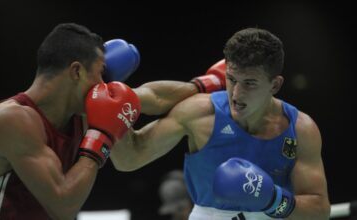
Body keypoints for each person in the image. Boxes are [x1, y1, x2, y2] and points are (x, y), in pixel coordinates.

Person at [0, 23, 216, 219]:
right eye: (100, 73)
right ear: (76, 71)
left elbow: (153, 99)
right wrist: (101, 136)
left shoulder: (82, 110)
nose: (104, 84)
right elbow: (63, 206)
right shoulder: (12, 120)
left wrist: (208, 84)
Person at [110, 27, 331, 219]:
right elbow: (130, 158)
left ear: (275, 85)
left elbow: (319, 210)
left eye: (249, 83)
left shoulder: (300, 129)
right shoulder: (200, 113)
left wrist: (273, 199)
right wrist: (109, 110)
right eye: (232, 79)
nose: (236, 93)